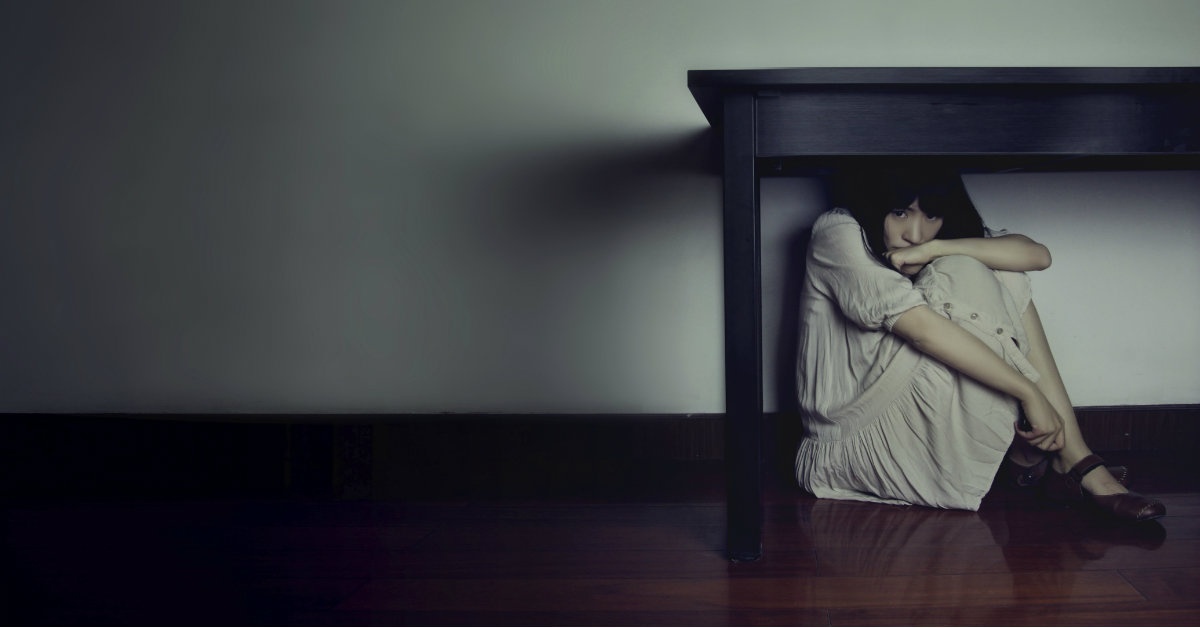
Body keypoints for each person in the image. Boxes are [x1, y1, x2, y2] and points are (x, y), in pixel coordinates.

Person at [793, 167, 1165, 521]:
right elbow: (921, 328)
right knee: (969, 267)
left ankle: (1072, 455)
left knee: (1003, 271)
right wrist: (1029, 394)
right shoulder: (838, 230)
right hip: (854, 443)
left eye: (932, 215)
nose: (916, 234)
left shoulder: (926, 243)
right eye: (899, 213)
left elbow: (1037, 255)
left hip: (915, 418)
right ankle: (1055, 457)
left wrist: (934, 251)